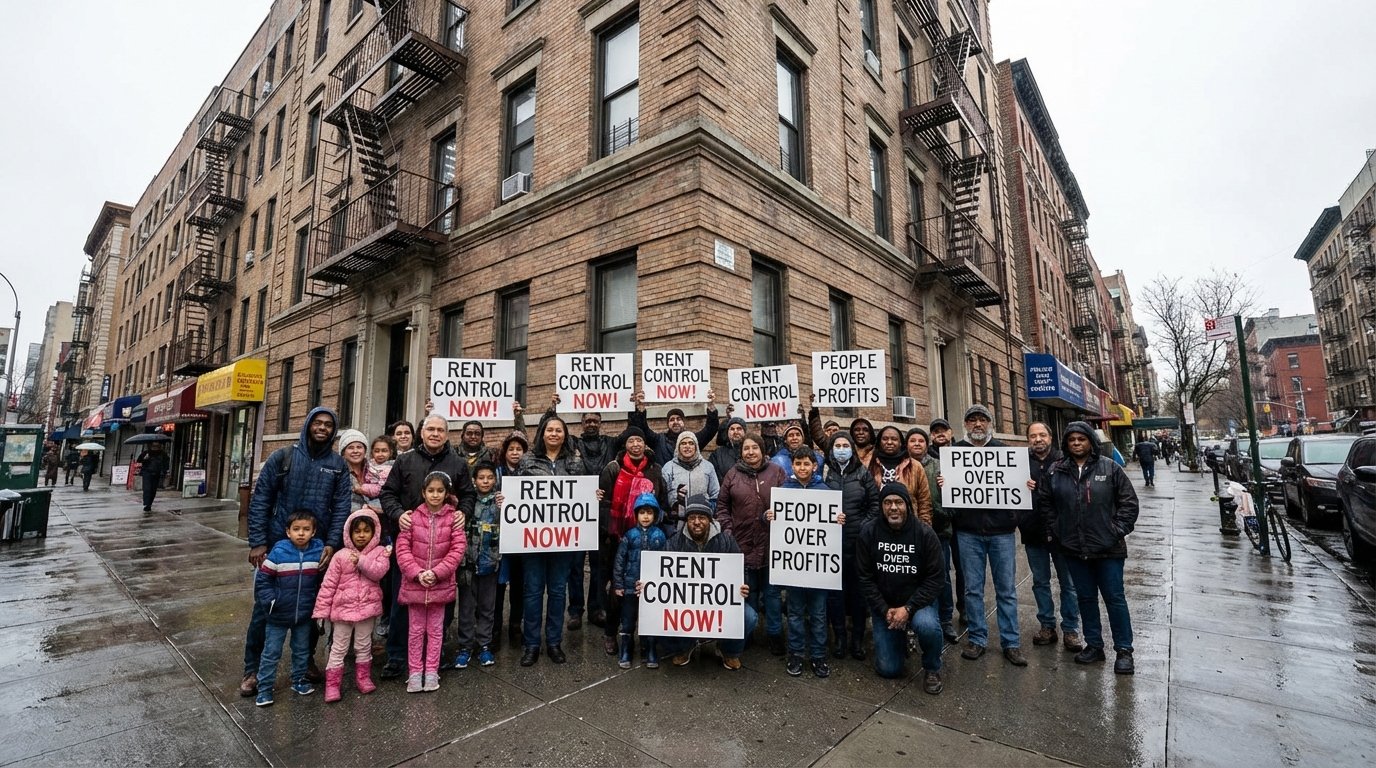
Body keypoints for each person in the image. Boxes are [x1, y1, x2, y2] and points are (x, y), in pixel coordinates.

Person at [240, 407, 352, 698]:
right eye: (318, 423)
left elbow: (341, 507)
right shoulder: (283, 457)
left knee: (312, 610)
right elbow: (261, 498)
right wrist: (258, 542)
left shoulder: (338, 465)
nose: (323, 428)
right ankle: (252, 670)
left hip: (317, 550)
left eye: (329, 425)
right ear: (308, 425)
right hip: (278, 546)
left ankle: (305, 664)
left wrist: (331, 543)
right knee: (265, 609)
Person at [378, 413, 476, 680]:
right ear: (422, 432)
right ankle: (397, 656)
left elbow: (469, 494)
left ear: (446, 434)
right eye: (430, 429)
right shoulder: (405, 460)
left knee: (441, 606)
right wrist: (398, 513)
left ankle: (435, 653)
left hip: (443, 548)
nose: (435, 433)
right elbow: (387, 493)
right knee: (403, 602)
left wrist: (463, 512)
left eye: (440, 430)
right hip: (409, 547)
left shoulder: (457, 463)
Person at [1041, 421, 1140, 675]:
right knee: (1085, 598)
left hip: (1108, 550)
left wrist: (1114, 531)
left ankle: (1124, 650)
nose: (1076, 443)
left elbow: (1129, 504)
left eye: (1081, 439)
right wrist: (1059, 530)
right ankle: (1094, 644)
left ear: (1090, 442)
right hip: (1074, 549)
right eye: (1072, 439)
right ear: (1066, 443)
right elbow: (1046, 503)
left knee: (1114, 598)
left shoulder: (1110, 468)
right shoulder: (1056, 471)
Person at [948, 404, 1025, 666]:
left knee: (1006, 590)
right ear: (966, 425)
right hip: (968, 533)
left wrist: (1024, 487)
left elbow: (1018, 493)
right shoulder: (955, 452)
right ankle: (977, 638)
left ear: (990, 424)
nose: (977, 424)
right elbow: (950, 498)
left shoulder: (1004, 452)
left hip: (1001, 533)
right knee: (972, 590)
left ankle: (1011, 642)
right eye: (972, 420)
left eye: (982, 420)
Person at [856, 483, 946, 694]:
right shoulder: (869, 532)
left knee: (927, 625)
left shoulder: (925, 534)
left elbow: (936, 578)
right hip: (884, 606)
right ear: (881, 506)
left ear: (907, 505)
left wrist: (909, 609)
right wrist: (883, 609)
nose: (893, 508)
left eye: (898, 502)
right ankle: (898, 640)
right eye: (887, 503)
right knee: (889, 669)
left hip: (917, 603)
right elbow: (864, 577)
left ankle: (932, 667)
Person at [517, 413, 583, 666]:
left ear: (565, 435)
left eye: (559, 430)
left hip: (563, 540)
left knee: (557, 592)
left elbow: (581, 491)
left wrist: (593, 496)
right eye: (550, 430)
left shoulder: (574, 462)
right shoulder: (527, 460)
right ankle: (532, 644)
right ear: (542, 434)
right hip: (533, 539)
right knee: (533, 592)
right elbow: (518, 493)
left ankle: (554, 642)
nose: (554, 434)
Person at [662, 495, 757, 670]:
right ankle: (684, 646)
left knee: (749, 616)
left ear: (710, 519)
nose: (696, 522)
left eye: (701, 517)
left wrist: (742, 586)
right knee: (662, 613)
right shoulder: (674, 543)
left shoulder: (726, 541)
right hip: (687, 603)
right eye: (691, 518)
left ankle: (729, 651)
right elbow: (662, 576)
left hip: (720, 603)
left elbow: (740, 569)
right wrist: (649, 587)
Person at [598, 426, 668, 657]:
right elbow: (604, 502)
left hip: (649, 538)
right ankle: (611, 633)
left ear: (645, 444)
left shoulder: (655, 470)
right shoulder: (613, 468)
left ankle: (648, 639)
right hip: (617, 537)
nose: (636, 444)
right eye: (631, 441)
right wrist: (609, 532)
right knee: (618, 591)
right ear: (625, 445)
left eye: (640, 440)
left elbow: (663, 502)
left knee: (649, 590)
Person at [396, 471, 466, 692]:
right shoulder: (412, 518)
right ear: (423, 492)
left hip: (440, 585)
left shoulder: (453, 519)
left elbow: (457, 550)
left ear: (446, 494)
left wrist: (437, 573)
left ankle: (432, 671)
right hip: (415, 584)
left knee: (436, 631)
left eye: (440, 491)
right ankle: (415, 672)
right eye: (431, 491)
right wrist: (417, 573)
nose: (435, 495)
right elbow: (402, 549)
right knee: (415, 631)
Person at [717, 433, 786, 655]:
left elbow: (790, 501)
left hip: (771, 545)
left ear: (762, 450)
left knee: (773, 595)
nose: (750, 452)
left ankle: (775, 634)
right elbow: (722, 507)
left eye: (754, 448)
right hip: (742, 544)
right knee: (748, 592)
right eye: (746, 449)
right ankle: (748, 632)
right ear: (741, 453)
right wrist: (728, 530)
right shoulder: (732, 475)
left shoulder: (776, 471)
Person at [312, 508, 390, 702]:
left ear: (374, 533)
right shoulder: (340, 556)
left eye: (366, 531)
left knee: (363, 646)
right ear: (349, 533)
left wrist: (362, 561)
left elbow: (379, 572)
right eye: (357, 531)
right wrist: (322, 611)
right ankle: (332, 684)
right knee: (338, 647)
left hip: (367, 610)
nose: (361, 535)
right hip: (342, 611)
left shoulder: (380, 553)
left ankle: (363, 678)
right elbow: (328, 585)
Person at [770, 447, 833, 678]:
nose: (803, 468)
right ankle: (795, 653)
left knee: (818, 614)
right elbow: (776, 523)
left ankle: (818, 656)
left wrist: (838, 520)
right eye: (798, 464)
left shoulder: (825, 490)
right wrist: (769, 516)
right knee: (795, 613)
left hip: (818, 569)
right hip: (793, 570)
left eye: (807, 464)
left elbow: (830, 528)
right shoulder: (785, 489)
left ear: (814, 466)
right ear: (792, 466)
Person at [253, 510, 325, 707]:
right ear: (288, 532)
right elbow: (263, 579)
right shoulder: (278, 552)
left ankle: (299, 680)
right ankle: (265, 688)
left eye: (306, 529)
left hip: (303, 613)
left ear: (313, 532)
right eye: (296, 529)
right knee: (271, 652)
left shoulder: (318, 551)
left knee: (302, 650)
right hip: (278, 614)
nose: (301, 533)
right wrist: (270, 601)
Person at [1023, 423, 1082, 652]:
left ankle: (1071, 629)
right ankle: (1047, 625)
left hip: (1062, 534)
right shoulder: (1019, 464)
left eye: (1042, 435)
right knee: (1040, 582)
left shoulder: (1064, 461)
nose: (1038, 439)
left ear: (1050, 437)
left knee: (1069, 584)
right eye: (1033, 436)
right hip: (1032, 531)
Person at [821, 431, 879, 660]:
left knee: (858, 595)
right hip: (831, 546)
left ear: (852, 449)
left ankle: (857, 640)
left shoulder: (863, 474)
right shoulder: (824, 472)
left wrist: (861, 527)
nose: (842, 449)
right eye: (838, 445)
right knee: (835, 596)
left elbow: (874, 505)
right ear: (832, 449)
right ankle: (840, 639)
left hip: (858, 546)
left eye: (846, 445)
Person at [563, 407, 616, 630]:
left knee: (599, 567)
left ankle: (597, 609)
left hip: (602, 515)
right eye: (587, 421)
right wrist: (553, 408)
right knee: (575, 566)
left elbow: (637, 433)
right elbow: (547, 432)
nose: (591, 424)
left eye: (595, 420)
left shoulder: (611, 443)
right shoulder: (572, 443)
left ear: (601, 422)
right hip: (576, 514)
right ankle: (575, 611)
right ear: (581, 424)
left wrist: (638, 408)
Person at [906, 428, 957, 643]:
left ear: (927, 445)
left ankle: (945, 620)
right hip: (908, 535)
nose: (917, 444)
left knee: (941, 577)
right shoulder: (901, 467)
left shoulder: (939, 467)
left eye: (921, 441)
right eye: (912, 440)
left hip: (938, 532)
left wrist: (946, 489)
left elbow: (952, 502)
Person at [453, 461, 501, 670]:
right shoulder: (466, 502)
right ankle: (465, 647)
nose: (485, 481)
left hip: (490, 563)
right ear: (474, 480)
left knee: (487, 608)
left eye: (489, 478)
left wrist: (503, 506)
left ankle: (484, 645)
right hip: (467, 564)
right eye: (481, 477)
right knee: (466, 607)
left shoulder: (499, 503)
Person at [613, 493, 668, 668]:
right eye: (642, 512)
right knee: (628, 619)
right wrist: (618, 584)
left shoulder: (660, 535)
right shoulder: (629, 535)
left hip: (651, 589)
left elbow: (665, 561)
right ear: (636, 514)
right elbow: (620, 560)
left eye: (650, 513)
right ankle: (626, 649)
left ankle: (650, 649)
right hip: (630, 586)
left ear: (655, 515)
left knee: (649, 619)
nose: (645, 517)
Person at [494, 431, 528, 647]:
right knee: (497, 586)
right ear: (505, 451)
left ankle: (516, 624)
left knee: (519, 585)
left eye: (519, 449)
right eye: (511, 449)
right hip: (498, 538)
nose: (515, 453)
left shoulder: (531, 473)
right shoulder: (495, 473)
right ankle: (495, 628)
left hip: (523, 539)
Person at [629, 390, 720, 467]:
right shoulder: (658, 441)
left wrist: (711, 406)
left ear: (684, 422)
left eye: (679, 419)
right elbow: (643, 429)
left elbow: (710, 429)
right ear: (668, 424)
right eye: (672, 420)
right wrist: (641, 408)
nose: (675, 422)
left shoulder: (693, 439)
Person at [661, 432, 719, 527]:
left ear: (696, 447)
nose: (687, 446)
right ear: (678, 447)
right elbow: (662, 496)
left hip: (701, 521)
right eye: (683, 443)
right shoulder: (668, 467)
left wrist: (708, 510)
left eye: (691, 443)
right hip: (676, 524)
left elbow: (715, 494)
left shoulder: (707, 467)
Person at [709, 416, 748, 482]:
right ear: (728, 433)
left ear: (744, 432)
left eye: (739, 429)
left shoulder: (751, 452)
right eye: (732, 429)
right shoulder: (717, 455)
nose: (735, 432)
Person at [136, 441, 169, 511]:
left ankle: (149, 504)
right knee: (147, 488)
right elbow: (139, 461)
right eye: (154, 446)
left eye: (157, 446)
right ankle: (146, 503)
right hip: (147, 473)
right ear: (151, 446)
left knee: (153, 490)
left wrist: (165, 471)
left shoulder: (163, 454)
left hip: (157, 473)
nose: (155, 448)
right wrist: (145, 459)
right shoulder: (146, 453)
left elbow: (166, 463)